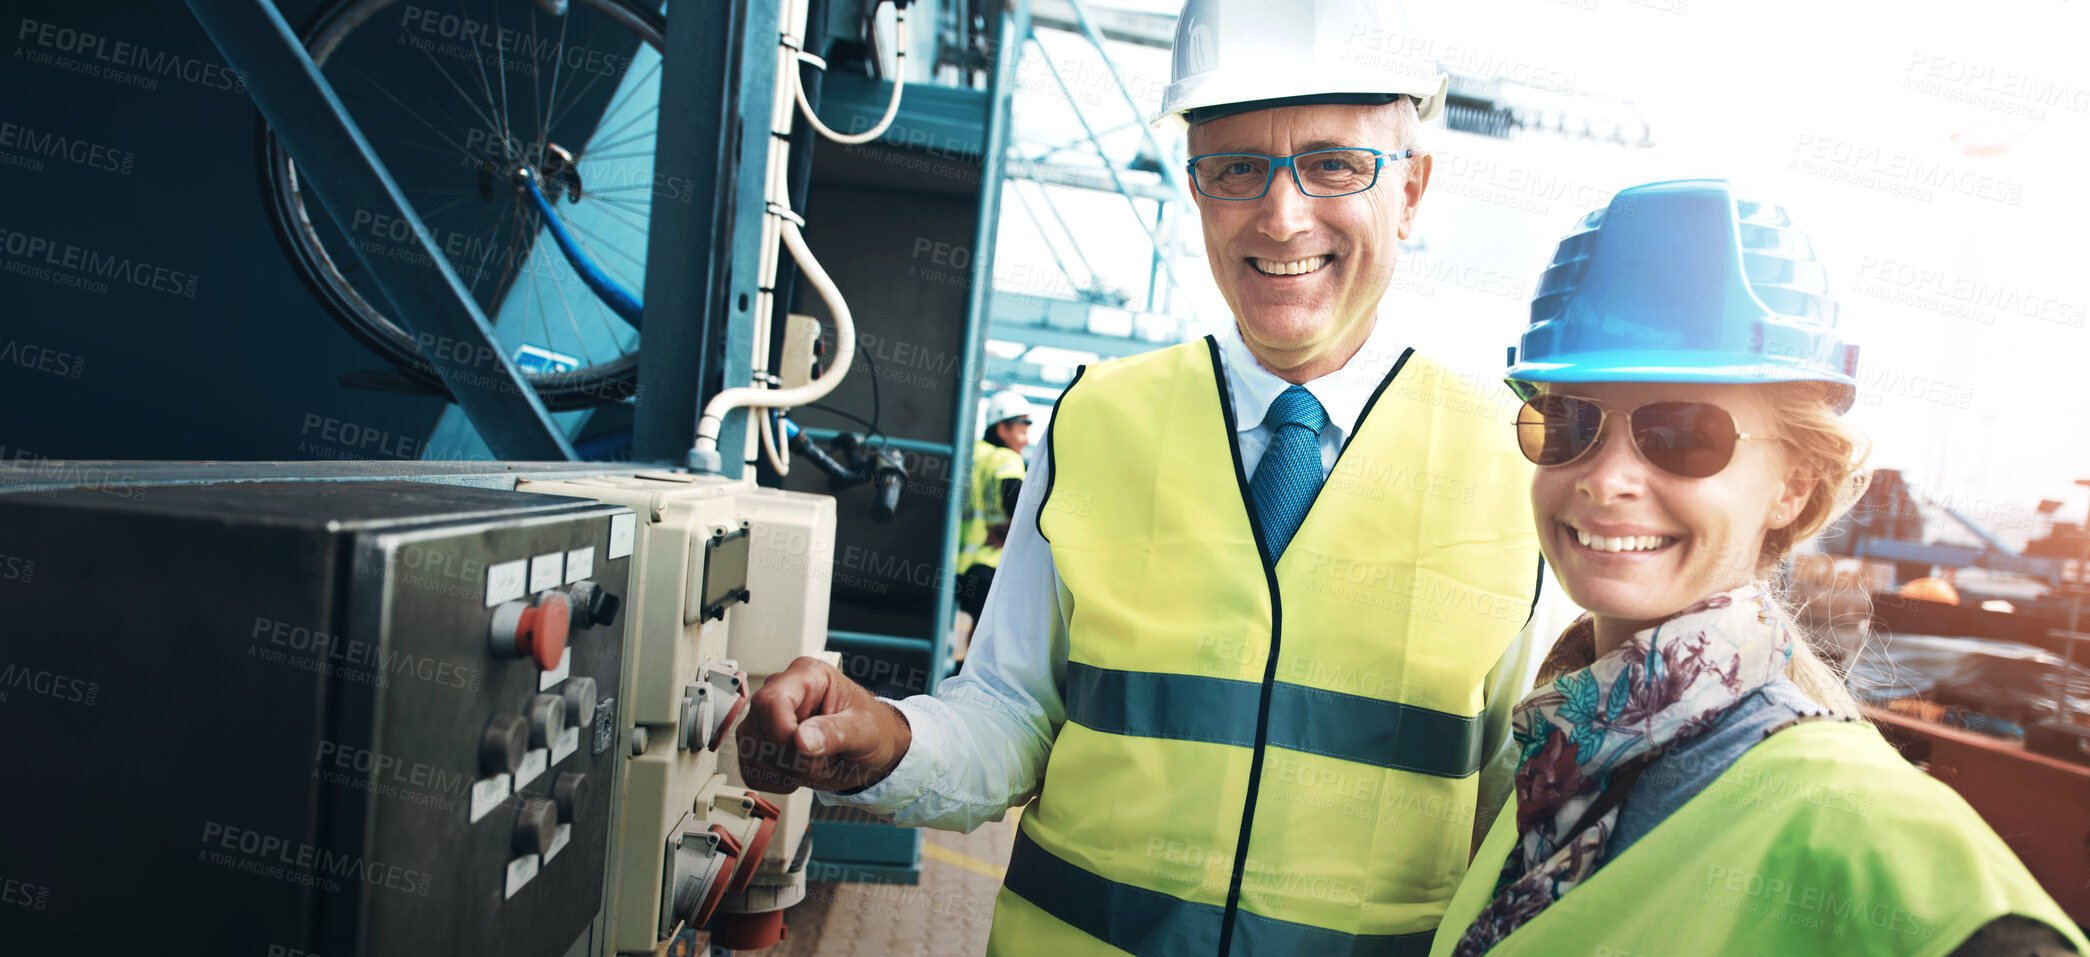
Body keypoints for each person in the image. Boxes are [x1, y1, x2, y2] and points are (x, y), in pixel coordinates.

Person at [740, 0, 1580, 951]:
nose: (1281, 213)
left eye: (1335, 163)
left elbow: (1523, 818)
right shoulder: (1098, 420)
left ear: (1413, 187)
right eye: (1235, 169)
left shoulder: (1519, 461)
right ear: (1194, 186)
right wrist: (888, 740)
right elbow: (1009, 716)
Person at [1430, 180, 2087, 957]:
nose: (1605, 478)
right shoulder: (1560, 754)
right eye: (1568, 421)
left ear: (1795, 482)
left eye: (1680, 433)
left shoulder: (1867, 834)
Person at [955, 391, 1034, 622]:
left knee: (978, 631)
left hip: (960, 566)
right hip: (991, 565)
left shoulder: (972, 455)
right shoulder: (1005, 458)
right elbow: (1023, 511)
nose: (1026, 440)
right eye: (1022, 429)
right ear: (1002, 429)